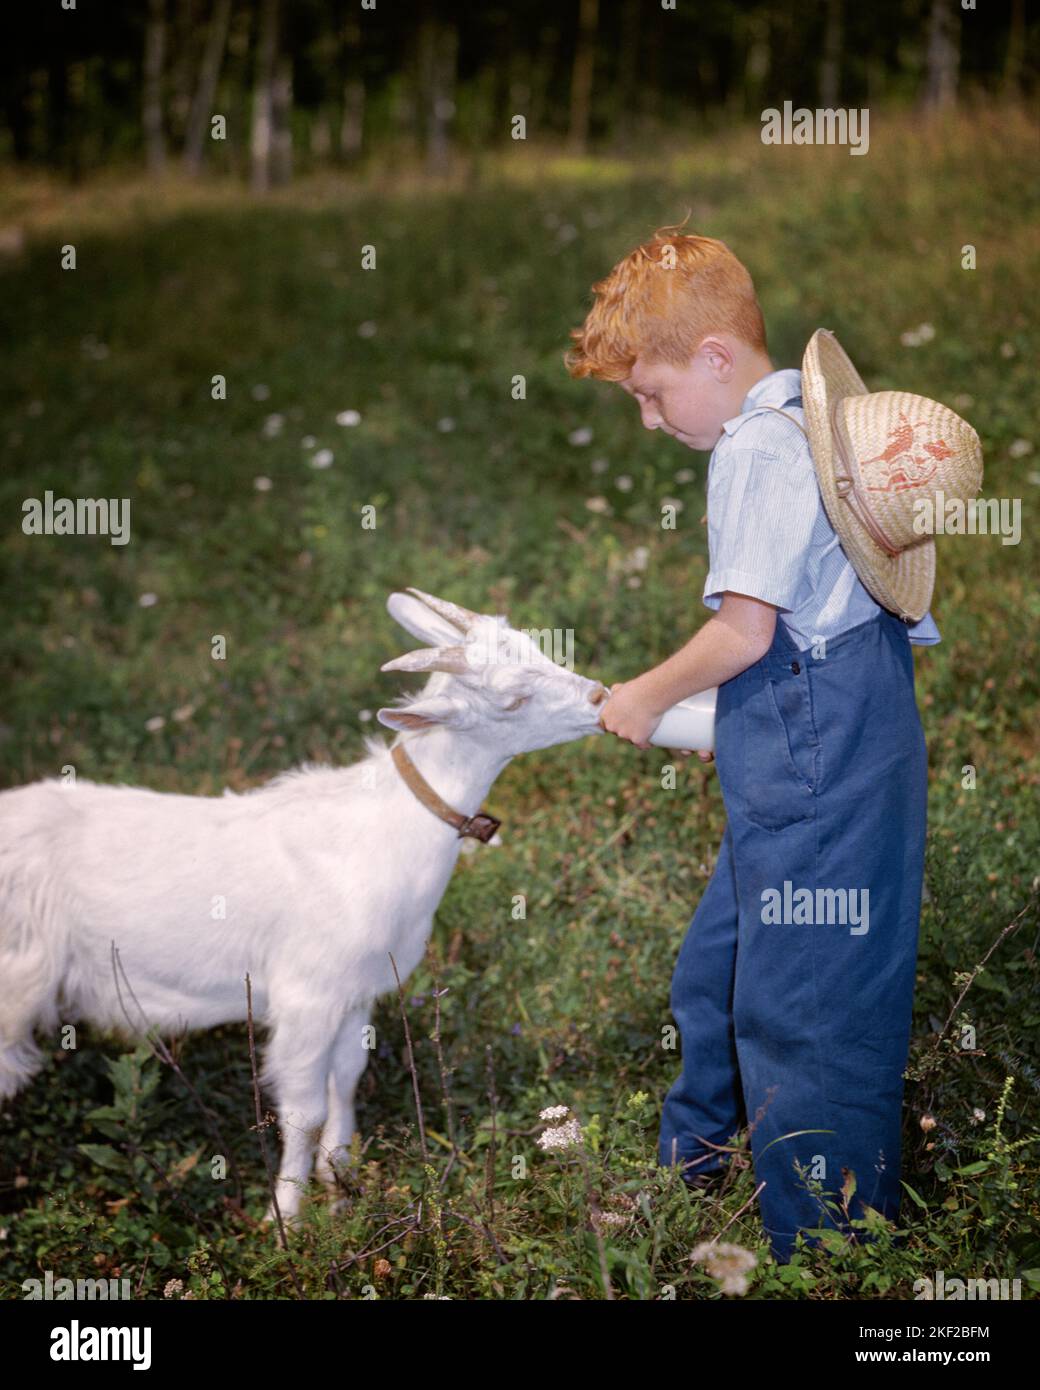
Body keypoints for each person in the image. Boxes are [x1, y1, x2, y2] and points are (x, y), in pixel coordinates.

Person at [563, 226, 981, 1263]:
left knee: (805, 995)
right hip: (830, 722)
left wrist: (642, 697)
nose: (652, 420)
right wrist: (746, 727)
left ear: (714, 355)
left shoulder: (753, 444)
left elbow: (744, 631)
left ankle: (822, 1242)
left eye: (653, 394)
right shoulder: (808, 424)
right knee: (720, 964)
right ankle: (694, 1166)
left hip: (818, 743)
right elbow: (800, 623)